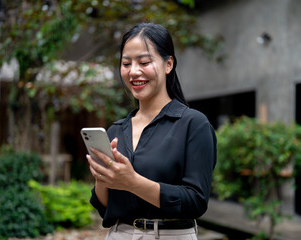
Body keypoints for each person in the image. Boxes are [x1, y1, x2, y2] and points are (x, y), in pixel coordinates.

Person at [87, 23, 217, 240]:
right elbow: (104, 208)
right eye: (126, 63)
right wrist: (103, 177)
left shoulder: (194, 124)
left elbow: (196, 201)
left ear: (168, 64)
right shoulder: (116, 130)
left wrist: (132, 182)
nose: (133, 71)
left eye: (144, 62)